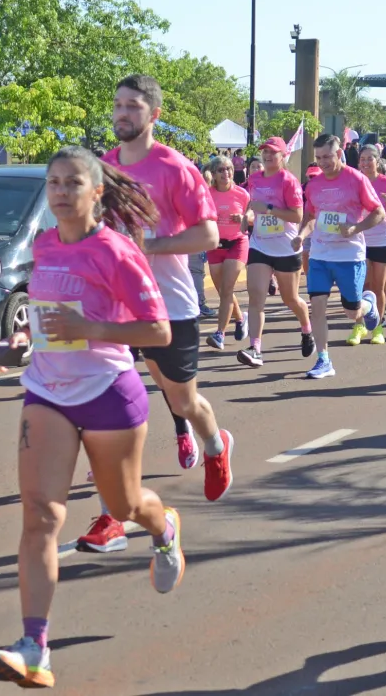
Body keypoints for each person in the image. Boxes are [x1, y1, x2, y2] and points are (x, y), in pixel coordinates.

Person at [0, 146, 183, 689]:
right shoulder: (46, 245)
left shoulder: (116, 251)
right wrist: (25, 337)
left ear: (96, 192)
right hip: (46, 391)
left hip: (107, 391)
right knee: (40, 518)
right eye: (53, 183)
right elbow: (51, 316)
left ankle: (163, 527)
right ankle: (34, 648)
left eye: (73, 183)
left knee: (123, 504)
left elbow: (158, 332)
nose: (61, 192)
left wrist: (90, 331)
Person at [99, 74, 233, 527]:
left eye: (133, 106)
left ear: (154, 114)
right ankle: (110, 512)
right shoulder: (103, 167)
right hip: (115, 306)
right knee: (108, 404)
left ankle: (216, 446)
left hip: (168, 305)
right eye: (118, 104)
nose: (122, 112)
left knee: (181, 402)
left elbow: (209, 234)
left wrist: (147, 247)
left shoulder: (175, 167)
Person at [295, 134, 384, 379]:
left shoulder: (356, 180)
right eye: (318, 157)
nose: (322, 162)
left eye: (327, 157)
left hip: (349, 255)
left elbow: (379, 212)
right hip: (320, 255)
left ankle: (368, 303)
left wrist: (356, 228)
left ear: (339, 154)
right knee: (317, 308)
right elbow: (311, 217)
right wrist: (301, 236)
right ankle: (323, 360)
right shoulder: (313, 185)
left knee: (352, 313)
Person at [236, 137, 314, 368]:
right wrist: (248, 217)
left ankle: (307, 329)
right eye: (265, 152)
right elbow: (253, 208)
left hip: (285, 248)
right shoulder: (254, 179)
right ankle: (255, 348)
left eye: (272, 152)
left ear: (283, 156)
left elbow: (297, 216)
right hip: (260, 245)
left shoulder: (288, 181)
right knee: (256, 297)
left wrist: (269, 209)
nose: (268, 156)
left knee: (290, 298)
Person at [357, 147, 386, 345]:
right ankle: (360, 325)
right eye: (363, 159)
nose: (366, 163)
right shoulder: (355, 181)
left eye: (370, 159)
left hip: (384, 239)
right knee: (363, 285)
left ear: (378, 162)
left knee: (378, 286)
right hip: (361, 239)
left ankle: (377, 327)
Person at [204, 156, 247, 351]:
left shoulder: (242, 194)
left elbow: (252, 219)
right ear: (213, 174)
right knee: (223, 291)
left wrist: (244, 218)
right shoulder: (207, 194)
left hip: (237, 243)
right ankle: (240, 318)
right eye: (221, 170)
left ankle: (219, 334)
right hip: (214, 245)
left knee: (227, 289)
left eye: (229, 169)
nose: (226, 173)